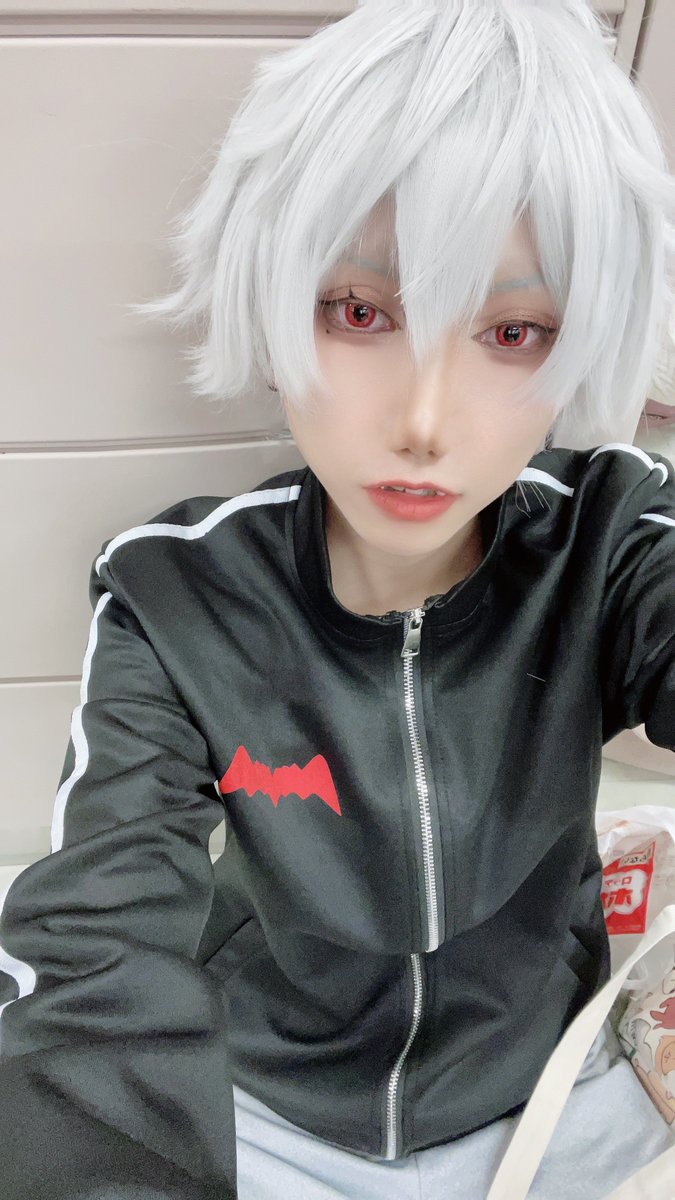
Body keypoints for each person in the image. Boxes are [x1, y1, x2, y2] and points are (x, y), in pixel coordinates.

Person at [1, 1, 674, 1196]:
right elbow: (98, 940)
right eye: (361, 312)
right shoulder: (173, 592)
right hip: (260, 1110)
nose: (424, 419)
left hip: (552, 1095)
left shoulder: (612, 540)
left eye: (514, 330)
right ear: (274, 305)